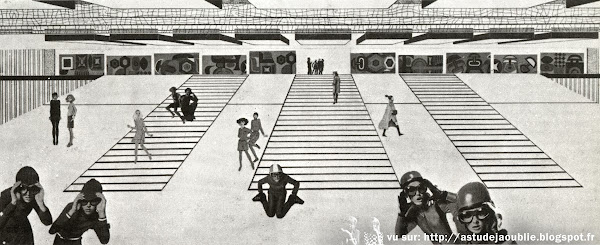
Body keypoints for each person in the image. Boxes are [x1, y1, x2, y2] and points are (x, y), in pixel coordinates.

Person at [395, 171, 463, 244]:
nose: (418, 193)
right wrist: (402, 214)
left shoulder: (436, 204)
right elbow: (399, 234)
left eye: (421, 188)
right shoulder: (414, 213)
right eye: (412, 190)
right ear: (406, 193)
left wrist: (442, 194)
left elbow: (461, 202)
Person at [0, 166, 52, 245]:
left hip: (23, 233)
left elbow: (47, 222)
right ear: (17, 187)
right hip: (5, 233)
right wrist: (13, 203)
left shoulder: (34, 195)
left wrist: (41, 203)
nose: (28, 194)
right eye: (24, 188)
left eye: (32, 189)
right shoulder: (6, 195)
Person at [49, 179, 110, 245]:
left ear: (98, 202)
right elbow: (52, 230)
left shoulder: (96, 215)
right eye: (84, 202)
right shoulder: (72, 207)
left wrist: (102, 213)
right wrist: (72, 211)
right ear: (80, 200)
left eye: (93, 202)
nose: (88, 205)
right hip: (59, 242)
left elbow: (104, 240)